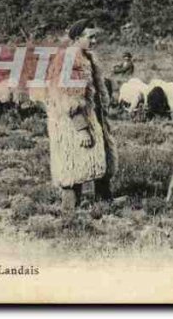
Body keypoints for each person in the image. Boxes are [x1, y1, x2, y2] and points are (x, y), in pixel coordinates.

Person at [45, 20, 116, 213]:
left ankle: (103, 201)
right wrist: (82, 128)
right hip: (73, 122)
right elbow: (69, 98)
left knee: (100, 160)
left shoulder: (88, 58)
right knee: (73, 163)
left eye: (95, 36)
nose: (94, 40)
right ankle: (69, 208)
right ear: (77, 39)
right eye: (90, 37)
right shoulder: (70, 60)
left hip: (93, 117)